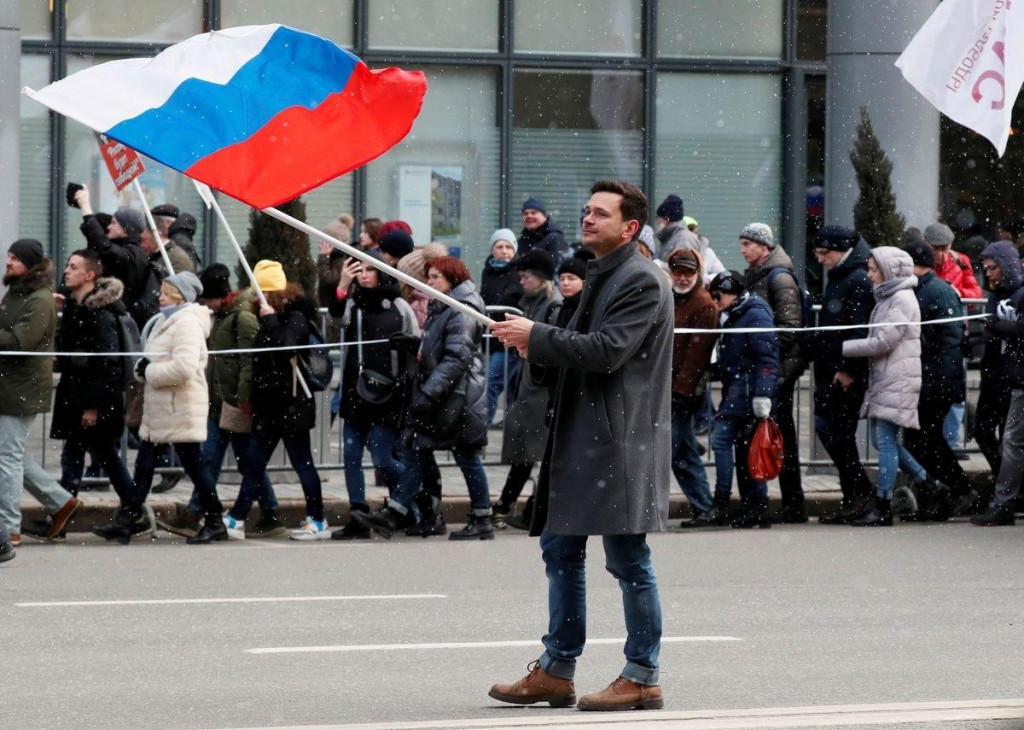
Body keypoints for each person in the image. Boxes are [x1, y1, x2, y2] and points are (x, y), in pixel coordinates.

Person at [489, 180, 672, 712]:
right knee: (561, 549)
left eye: (600, 213)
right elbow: (569, 345)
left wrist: (537, 338)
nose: (587, 219)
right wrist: (531, 343)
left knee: (628, 558)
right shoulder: (597, 275)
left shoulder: (641, 281)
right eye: (586, 210)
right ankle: (556, 669)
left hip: (619, 442)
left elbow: (609, 350)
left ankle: (642, 674)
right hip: (582, 436)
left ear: (629, 228)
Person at [355, 256, 493, 541]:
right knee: (419, 450)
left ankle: (483, 517)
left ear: (451, 280)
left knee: (466, 456)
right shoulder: (444, 305)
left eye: (434, 278)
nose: (428, 283)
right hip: (446, 393)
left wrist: (429, 392)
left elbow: (457, 357)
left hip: (459, 397)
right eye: (428, 277)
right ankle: (395, 513)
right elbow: (442, 349)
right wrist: (414, 345)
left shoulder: (461, 308)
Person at [90, 272, 226, 544]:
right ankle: (127, 520)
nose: (160, 296)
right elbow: (155, 361)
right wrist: (145, 370)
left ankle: (214, 520)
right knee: (146, 465)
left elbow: (185, 368)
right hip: (165, 407)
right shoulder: (171, 321)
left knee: (192, 467)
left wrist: (149, 371)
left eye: (166, 292)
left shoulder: (186, 323)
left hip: (179, 407)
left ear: (180, 296)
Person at [156, 264, 285, 539]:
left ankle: (267, 511)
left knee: (242, 462)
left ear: (220, 296)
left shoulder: (242, 319)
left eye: (209, 299)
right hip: (216, 402)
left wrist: (243, 397)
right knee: (212, 459)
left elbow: (249, 362)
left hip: (234, 403)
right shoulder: (218, 317)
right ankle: (198, 513)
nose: (206, 304)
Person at [221, 261, 330, 540]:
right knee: (254, 465)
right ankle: (236, 518)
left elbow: (284, 350)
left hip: (291, 406)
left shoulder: (294, 318)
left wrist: (269, 321)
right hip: (270, 408)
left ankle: (317, 520)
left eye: (260, 293)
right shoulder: (268, 319)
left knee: (302, 464)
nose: (256, 299)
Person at [27, 251, 132, 538]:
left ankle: (131, 509)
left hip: (92, 399)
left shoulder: (99, 313)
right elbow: (74, 352)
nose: (67, 271)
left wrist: (93, 407)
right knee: (79, 456)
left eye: (74, 267)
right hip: (78, 395)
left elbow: (106, 362)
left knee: (100, 456)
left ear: (90, 275)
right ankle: (61, 513)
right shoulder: (78, 306)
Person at [328, 253, 419, 540]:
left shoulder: (399, 306)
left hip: (388, 393)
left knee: (382, 458)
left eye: (370, 270)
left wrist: (407, 351)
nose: (364, 275)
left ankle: (418, 492)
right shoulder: (353, 305)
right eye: (359, 270)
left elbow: (416, 344)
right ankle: (358, 516)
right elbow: (335, 322)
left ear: (381, 272)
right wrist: (341, 285)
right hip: (356, 390)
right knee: (351, 455)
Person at [505, 247, 595, 532]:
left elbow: (573, 347)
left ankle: (538, 508)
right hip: (551, 388)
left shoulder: (566, 308)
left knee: (554, 456)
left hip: (564, 390)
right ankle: (535, 508)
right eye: (563, 278)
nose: (566, 283)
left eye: (572, 278)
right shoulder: (561, 307)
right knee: (547, 455)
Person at [0, 239, 82, 545]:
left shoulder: (39, 299)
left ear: (29, 264)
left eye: (13, 258)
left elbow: (21, 342)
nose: (8, 262)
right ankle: (61, 502)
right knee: (10, 455)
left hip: (21, 387)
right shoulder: (18, 292)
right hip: (10, 385)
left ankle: (9, 529)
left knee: (7, 457)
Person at [841, 247, 928, 527]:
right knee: (881, 441)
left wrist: (843, 347)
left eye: (874, 270)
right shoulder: (890, 297)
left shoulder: (900, 299)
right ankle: (927, 483)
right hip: (888, 375)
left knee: (885, 440)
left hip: (897, 376)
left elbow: (883, 342)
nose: (869, 275)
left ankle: (883, 504)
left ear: (889, 271)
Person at [901, 241, 975, 521]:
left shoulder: (938, 292)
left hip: (935, 382)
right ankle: (943, 495)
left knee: (926, 441)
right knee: (921, 441)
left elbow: (949, 343)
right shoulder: (924, 290)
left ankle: (957, 490)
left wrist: (939, 385)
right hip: (929, 380)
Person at [739, 222, 808, 523]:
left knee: (778, 437)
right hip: (771, 367)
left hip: (778, 369)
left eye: (747, 244)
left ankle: (792, 504)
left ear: (763, 247)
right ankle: (781, 503)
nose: (742, 250)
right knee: (773, 436)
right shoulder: (761, 275)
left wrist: (764, 353)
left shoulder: (778, 277)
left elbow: (790, 326)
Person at [808, 226, 877, 524]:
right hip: (832, 369)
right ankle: (853, 498)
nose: (820, 259)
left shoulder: (856, 279)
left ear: (840, 249)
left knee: (834, 432)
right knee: (835, 433)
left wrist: (847, 370)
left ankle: (861, 494)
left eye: (824, 253)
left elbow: (858, 328)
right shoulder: (843, 276)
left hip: (843, 373)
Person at [492, 249, 562, 526]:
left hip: (541, 391)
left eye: (527, 276)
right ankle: (517, 504)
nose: (522, 281)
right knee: (527, 453)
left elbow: (549, 346)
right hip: (530, 388)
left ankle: (521, 505)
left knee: (536, 454)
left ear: (541, 278)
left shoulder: (551, 306)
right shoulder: (532, 303)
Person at [707, 271, 779, 528]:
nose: (716, 302)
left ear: (733, 293)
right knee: (743, 447)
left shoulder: (754, 314)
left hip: (748, 394)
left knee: (736, 444)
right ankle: (751, 505)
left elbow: (766, 359)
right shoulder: (738, 314)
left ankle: (742, 504)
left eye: (719, 296)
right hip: (739, 391)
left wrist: (763, 394)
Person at [971, 241, 1024, 526]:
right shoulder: (994, 293)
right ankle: (1006, 496)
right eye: (986, 268)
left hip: (1014, 377)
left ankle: (1005, 500)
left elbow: (1017, 328)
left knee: (1012, 440)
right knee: (998, 436)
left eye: (993, 268)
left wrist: (997, 327)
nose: (989, 274)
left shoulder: (1020, 293)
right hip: (1000, 375)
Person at [667, 249, 719, 528]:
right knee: (683, 454)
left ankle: (641, 512)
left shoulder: (703, 305)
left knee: (666, 453)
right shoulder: (673, 299)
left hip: (681, 393)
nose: (683, 277)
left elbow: (696, 358)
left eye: (689, 272)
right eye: (678, 271)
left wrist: (682, 393)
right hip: (669, 389)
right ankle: (705, 508)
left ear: (698, 274)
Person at [75, 185, 159, 329]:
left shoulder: (133, 255)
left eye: (114, 223)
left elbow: (104, 247)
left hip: (120, 321)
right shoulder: (130, 250)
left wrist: (86, 208)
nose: (109, 227)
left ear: (125, 228)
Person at [480, 228, 524, 426]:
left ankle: (483, 427)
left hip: (508, 338)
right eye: (499, 247)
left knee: (491, 383)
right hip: (490, 336)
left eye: (508, 247)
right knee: (485, 383)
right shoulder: (487, 270)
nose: (504, 251)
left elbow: (511, 299)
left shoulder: (519, 271)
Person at [925, 222, 982, 299]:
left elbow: (977, 293)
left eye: (944, 249)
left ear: (950, 245)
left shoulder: (961, 260)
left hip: (955, 309)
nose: (940, 254)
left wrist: (959, 293)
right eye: (935, 249)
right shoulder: (920, 262)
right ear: (926, 244)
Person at [517, 198, 568, 262]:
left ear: (544, 216)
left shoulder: (554, 238)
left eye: (533, 213)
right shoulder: (522, 241)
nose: (529, 216)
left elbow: (557, 266)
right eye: (525, 213)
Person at [653, 194, 700, 262]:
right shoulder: (671, 236)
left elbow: (683, 269)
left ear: (667, 219)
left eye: (659, 218)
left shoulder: (684, 239)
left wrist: (660, 266)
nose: (657, 222)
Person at [683, 216, 725, 283]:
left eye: (695, 232)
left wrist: (708, 279)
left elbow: (723, 275)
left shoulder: (707, 252)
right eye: (690, 232)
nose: (693, 236)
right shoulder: (672, 252)